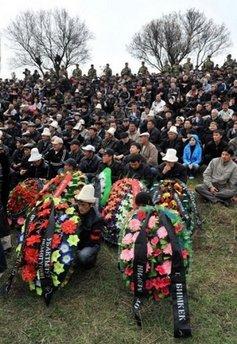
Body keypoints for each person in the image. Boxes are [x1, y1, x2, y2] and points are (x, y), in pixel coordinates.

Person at [74, 185, 103, 268]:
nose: (80, 208)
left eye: (83, 205)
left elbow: (93, 241)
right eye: (79, 204)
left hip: (89, 244)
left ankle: (91, 260)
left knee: (83, 256)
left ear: (91, 205)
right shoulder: (74, 209)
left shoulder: (97, 219)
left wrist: (76, 248)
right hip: (77, 240)